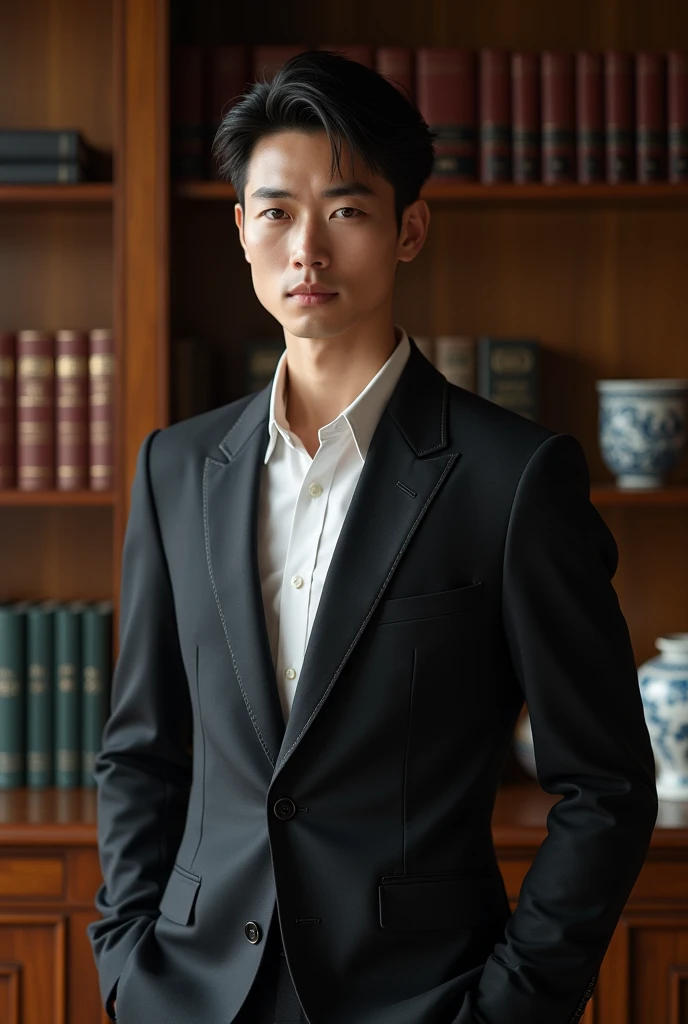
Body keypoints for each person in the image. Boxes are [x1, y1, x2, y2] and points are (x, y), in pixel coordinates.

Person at [87, 50, 658, 1024]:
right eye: (275, 212)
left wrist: (512, 1006)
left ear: (408, 229)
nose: (306, 249)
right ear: (240, 231)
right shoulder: (174, 470)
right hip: (187, 992)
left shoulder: (511, 477)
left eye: (345, 210)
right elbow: (141, 750)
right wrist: (127, 960)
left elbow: (603, 786)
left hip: (418, 998)